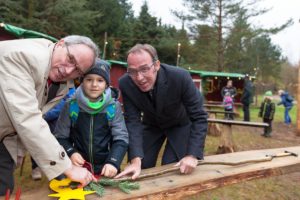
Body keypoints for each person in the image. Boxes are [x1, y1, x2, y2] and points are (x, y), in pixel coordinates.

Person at [0, 35, 99, 195]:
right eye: (70, 59)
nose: (68, 70)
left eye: (77, 70)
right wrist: (66, 166)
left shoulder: (61, 83)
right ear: (60, 43)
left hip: (4, 139)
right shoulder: (22, 57)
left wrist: (12, 154)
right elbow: (28, 119)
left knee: (4, 189)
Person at [115, 44, 207, 180]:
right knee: (142, 165)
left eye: (144, 69)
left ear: (156, 65)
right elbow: (132, 121)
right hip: (152, 124)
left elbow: (199, 117)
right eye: (132, 71)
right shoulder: (125, 83)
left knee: (172, 167)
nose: (139, 78)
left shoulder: (180, 77)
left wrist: (192, 155)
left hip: (180, 124)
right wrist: (135, 158)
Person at [54, 59, 128, 178]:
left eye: (100, 80)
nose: (94, 85)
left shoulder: (113, 107)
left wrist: (113, 162)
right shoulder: (71, 105)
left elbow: (121, 138)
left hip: (106, 169)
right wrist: (71, 152)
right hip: (78, 168)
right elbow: (60, 137)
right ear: (82, 82)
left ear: (106, 84)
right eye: (89, 79)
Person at [31, 87, 76, 180]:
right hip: (42, 122)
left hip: (57, 124)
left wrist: (45, 114)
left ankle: (60, 172)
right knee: (37, 144)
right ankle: (36, 167)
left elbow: (65, 104)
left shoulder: (71, 89)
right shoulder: (44, 86)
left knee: (58, 147)